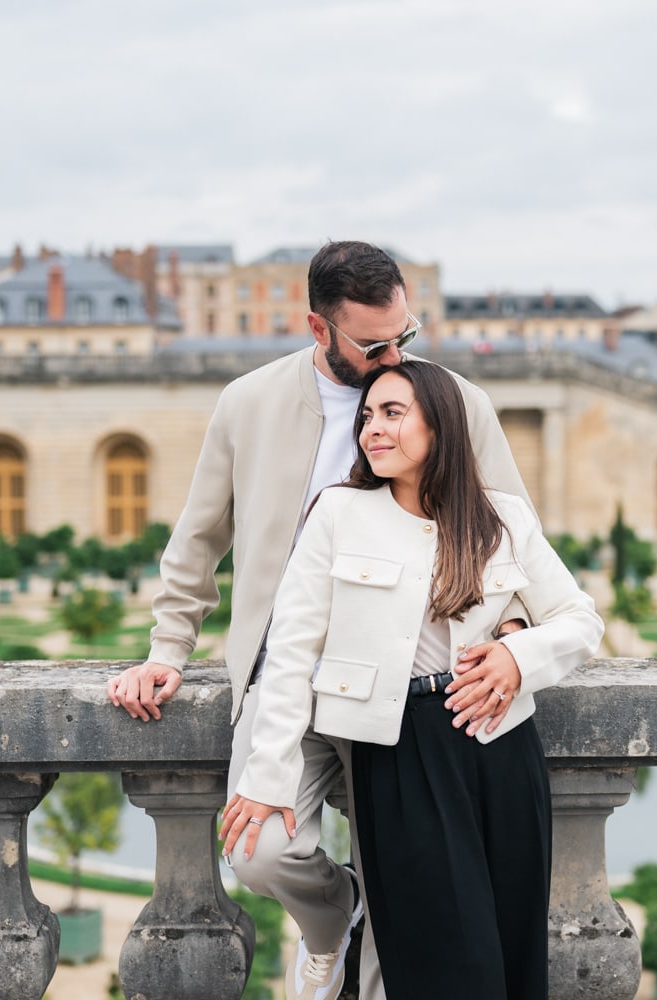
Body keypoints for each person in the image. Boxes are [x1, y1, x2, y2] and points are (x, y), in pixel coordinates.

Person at [107, 241, 530, 1000]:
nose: (394, 354)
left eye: (406, 334)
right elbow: (199, 535)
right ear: (316, 326)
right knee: (262, 853)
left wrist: (513, 636)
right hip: (290, 678)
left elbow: (511, 526)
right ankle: (336, 917)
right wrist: (168, 646)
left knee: (408, 890)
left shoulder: (459, 402)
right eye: (374, 345)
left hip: (409, 691)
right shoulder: (248, 402)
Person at [224, 361, 603, 999]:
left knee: (511, 954)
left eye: (392, 413)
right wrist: (268, 778)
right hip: (397, 752)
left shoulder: (503, 517)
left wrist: (518, 656)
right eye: (367, 416)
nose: (373, 428)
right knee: (442, 962)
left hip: (499, 749)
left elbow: (579, 619)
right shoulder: (338, 512)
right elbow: (291, 651)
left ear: (441, 425)